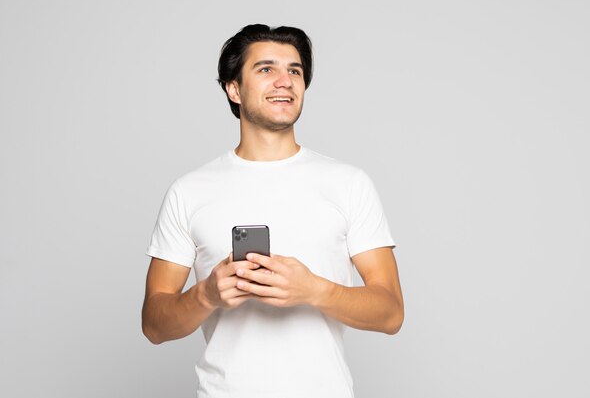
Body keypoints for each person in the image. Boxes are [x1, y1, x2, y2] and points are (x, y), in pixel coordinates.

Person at [142, 24, 404, 398]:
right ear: (234, 88)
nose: (285, 81)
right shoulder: (189, 191)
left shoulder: (349, 183)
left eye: (294, 71)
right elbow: (154, 324)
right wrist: (206, 295)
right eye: (266, 69)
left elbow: (391, 312)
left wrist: (314, 290)